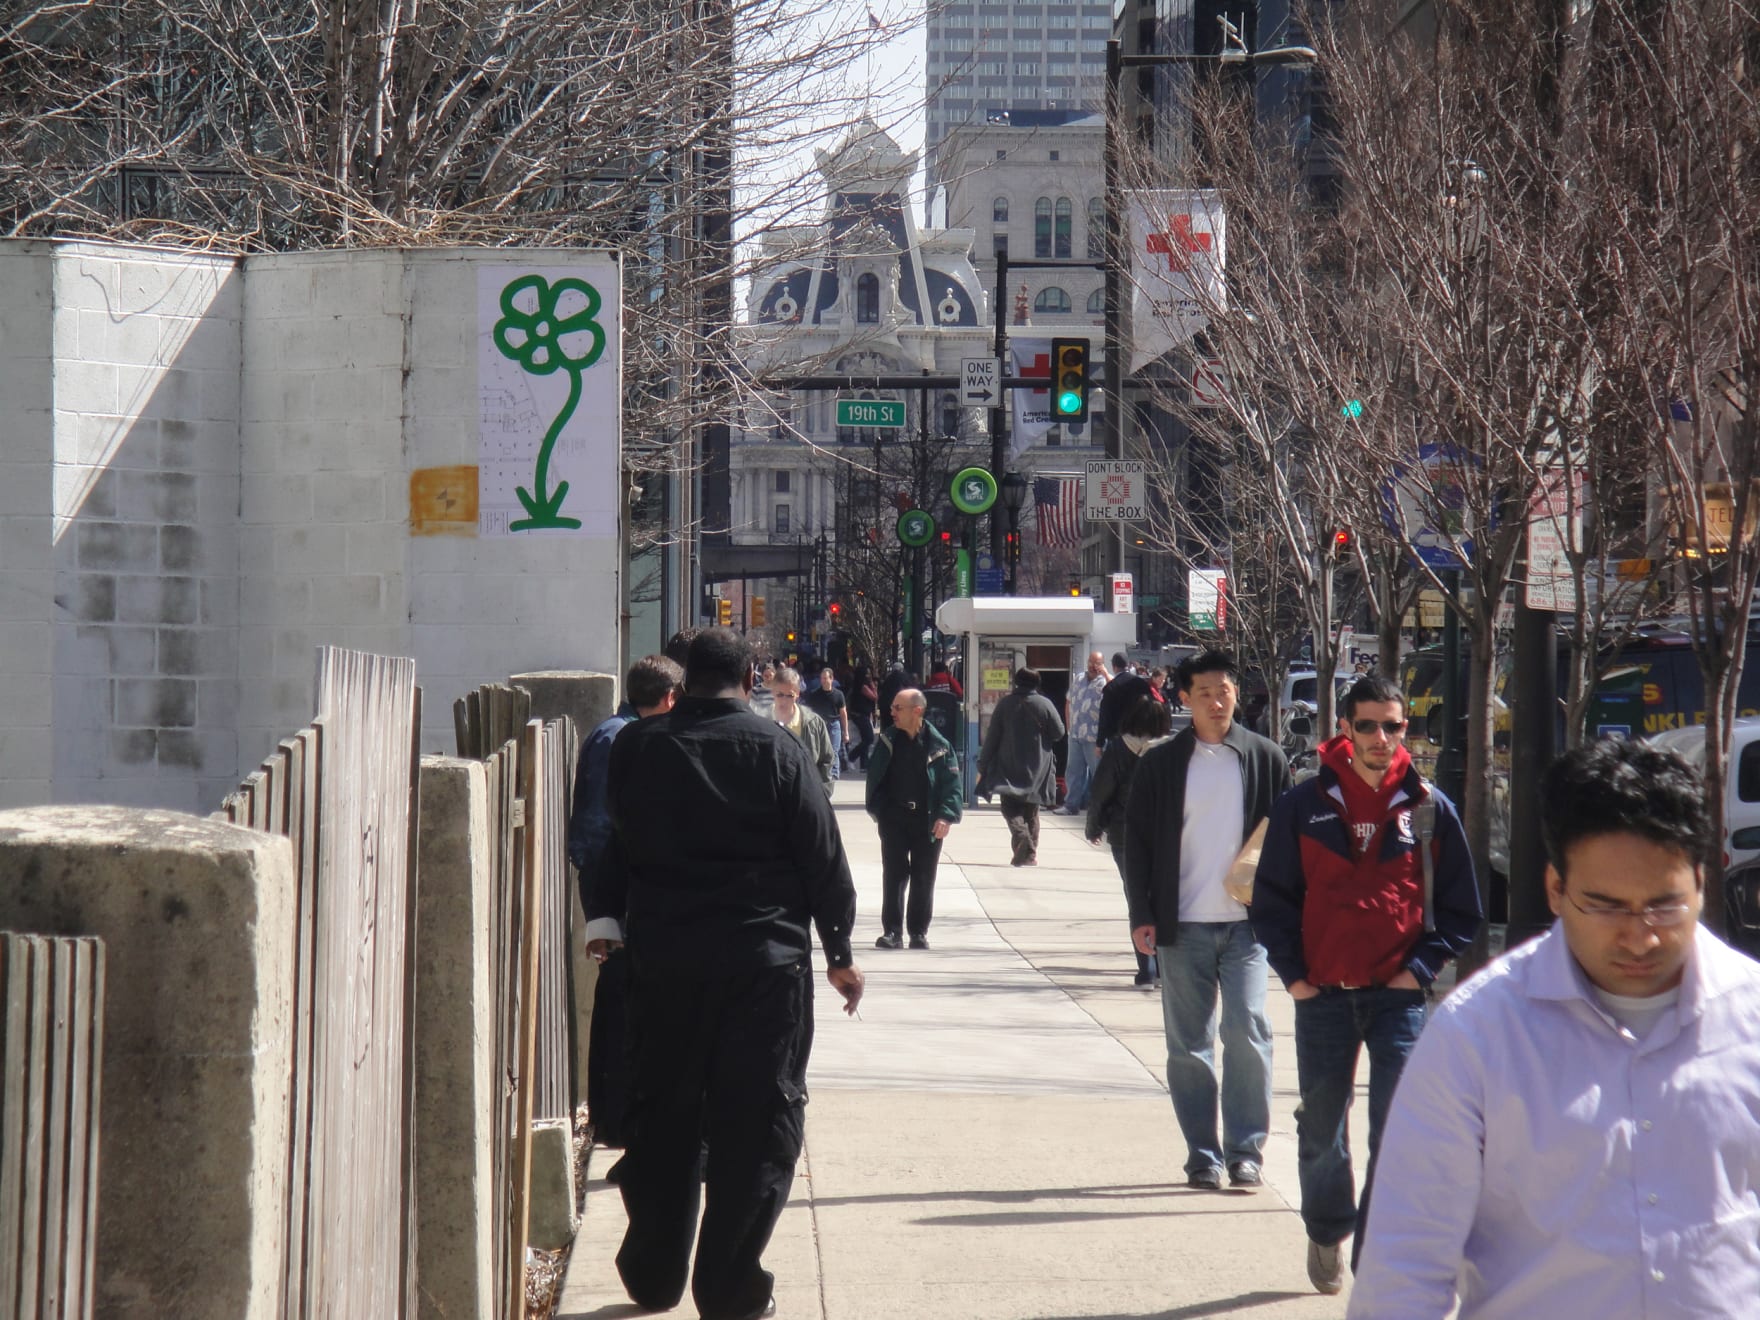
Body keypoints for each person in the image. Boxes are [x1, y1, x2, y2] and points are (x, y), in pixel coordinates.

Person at [1348, 737, 1760, 1319]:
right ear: (1556, 889)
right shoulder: (1477, 1036)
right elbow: (1405, 1264)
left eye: (1665, 905)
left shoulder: (1751, 1016)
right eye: (1607, 905)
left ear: (1701, 880)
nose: (1640, 935)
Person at [583, 628, 863, 1320]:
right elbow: (822, 855)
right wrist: (839, 952)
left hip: (665, 963)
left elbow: (613, 840)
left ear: (683, 681)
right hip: (761, 967)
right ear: (748, 680)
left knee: (661, 1115)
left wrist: (606, 920)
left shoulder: (638, 747)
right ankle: (730, 1285)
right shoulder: (778, 749)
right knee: (757, 1123)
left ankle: (653, 1272)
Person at [1250, 674, 1482, 1295]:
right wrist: (1295, 977)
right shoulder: (1303, 806)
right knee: (1322, 1127)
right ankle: (1327, 1227)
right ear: (1345, 731)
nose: (1383, 738)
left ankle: (1376, 1258)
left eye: (1394, 725)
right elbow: (1270, 901)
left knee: (1397, 1131)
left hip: (1397, 998)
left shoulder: (1429, 807)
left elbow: (1462, 910)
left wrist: (1419, 972)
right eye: (1370, 725)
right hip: (1322, 995)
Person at [1123, 649, 1290, 1191]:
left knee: (1248, 1029)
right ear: (1183, 699)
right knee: (1189, 1046)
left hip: (1247, 926)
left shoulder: (1265, 758)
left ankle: (1246, 1152)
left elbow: (1287, 843)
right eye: (1205, 693)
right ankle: (1202, 1155)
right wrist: (1141, 914)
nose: (1218, 702)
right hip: (1183, 923)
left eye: (1225, 691)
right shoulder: (1161, 764)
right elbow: (1138, 844)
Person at [567, 654, 683, 1147]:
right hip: (615, 899)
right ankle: (613, 1122)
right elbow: (600, 832)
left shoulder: (616, 732)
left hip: (616, 896)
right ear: (669, 698)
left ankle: (614, 1120)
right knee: (618, 1011)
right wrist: (603, 916)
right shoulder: (622, 739)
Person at [1086, 695, 1173, 988]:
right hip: (1166, 835)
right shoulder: (1173, 750)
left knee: (1136, 897)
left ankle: (1146, 968)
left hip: (1125, 833)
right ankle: (1163, 966)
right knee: (1162, 898)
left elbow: (1100, 792)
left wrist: (1094, 827)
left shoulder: (1119, 749)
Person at [865, 687, 962, 949]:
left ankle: (918, 932)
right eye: (893, 707)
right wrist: (879, 810)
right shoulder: (888, 740)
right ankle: (892, 932)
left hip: (927, 819)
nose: (892, 712)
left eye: (898, 708)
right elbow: (875, 778)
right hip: (894, 818)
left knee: (924, 875)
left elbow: (951, 784)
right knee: (894, 874)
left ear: (917, 711)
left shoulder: (940, 745)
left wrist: (946, 816)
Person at [977, 668, 1066, 867]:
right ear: (1037, 683)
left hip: (1009, 763)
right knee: (1031, 810)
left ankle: (1022, 838)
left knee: (1010, 808)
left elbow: (992, 737)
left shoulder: (1005, 704)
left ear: (1016, 682)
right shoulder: (1045, 704)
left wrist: (983, 765)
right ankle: (1030, 854)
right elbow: (1059, 733)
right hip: (1038, 765)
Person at [1057, 650, 1110, 816]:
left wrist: (1107, 674)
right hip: (1076, 734)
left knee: (1098, 773)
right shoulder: (1078, 679)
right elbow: (1068, 701)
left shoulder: (1105, 682)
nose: (1093, 666)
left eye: (1097, 663)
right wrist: (1069, 727)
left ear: (1103, 664)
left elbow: (1117, 691)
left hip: (1094, 737)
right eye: (1091, 662)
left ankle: (1101, 807)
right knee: (1073, 771)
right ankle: (1071, 805)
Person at [770, 667, 834, 797]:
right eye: (780, 694)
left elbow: (826, 759)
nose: (784, 700)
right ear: (772, 692)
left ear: (798, 694)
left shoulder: (814, 723)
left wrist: (822, 794)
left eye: (790, 695)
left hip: (806, 798)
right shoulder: (762, 721)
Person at [1095, 651, 1151, 749]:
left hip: (1117, 740)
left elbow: (1104, 717)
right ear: (1128, 665)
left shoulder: (1110, 688)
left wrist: (1100, 743)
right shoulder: (1142, 684)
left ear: (1114, 666)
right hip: (1140, 737)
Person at [800, 666, 849, 777]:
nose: (823, 680)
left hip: (834, 724)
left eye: (825, 678)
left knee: (834, 749)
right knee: (820, 749)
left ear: (831, 679)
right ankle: (821, 772)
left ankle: (834, 774)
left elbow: (843, 713)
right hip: (820, 724)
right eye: (821, 678)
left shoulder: (838, 695)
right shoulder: (815, 695)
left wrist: (846, 732)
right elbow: (809, 711)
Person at [845, 665, 877, 768]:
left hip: (861, 714)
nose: (869, 675)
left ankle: (864, 764)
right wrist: (872, 684)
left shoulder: (857, 685)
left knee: (864, 739)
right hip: (861, 715)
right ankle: (851, 757)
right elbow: (874, 697)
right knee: (869, 738)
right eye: (867, 673)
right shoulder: (863, 686)